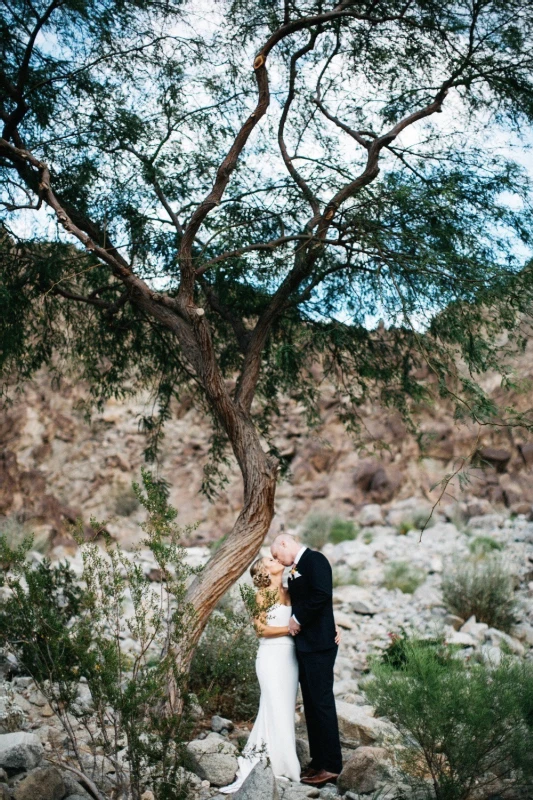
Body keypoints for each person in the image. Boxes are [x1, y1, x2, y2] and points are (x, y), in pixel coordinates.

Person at [219, 554, 340, 793]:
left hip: (291, 659)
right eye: (271, 560)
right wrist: (291, 627)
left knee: (285, 709)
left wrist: (331, 627)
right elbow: (260, 629)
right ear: (264, 570)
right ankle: (268, 763)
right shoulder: (260, 595)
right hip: (271, 657)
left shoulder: (290, 591)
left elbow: (314, 607)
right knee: (272, 706)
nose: (276, 560)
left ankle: (285, 762)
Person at [270, 533, 343, 788]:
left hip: (320, 645)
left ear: (284, 543)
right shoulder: (296, 569)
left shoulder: (315, 560)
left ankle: (332, 765)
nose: (277, 560)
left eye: (277, 555)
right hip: (307, 646)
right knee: (311, 705)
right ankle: (318, 759)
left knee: (321, 703)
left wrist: (297, 619)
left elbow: (322, 595)